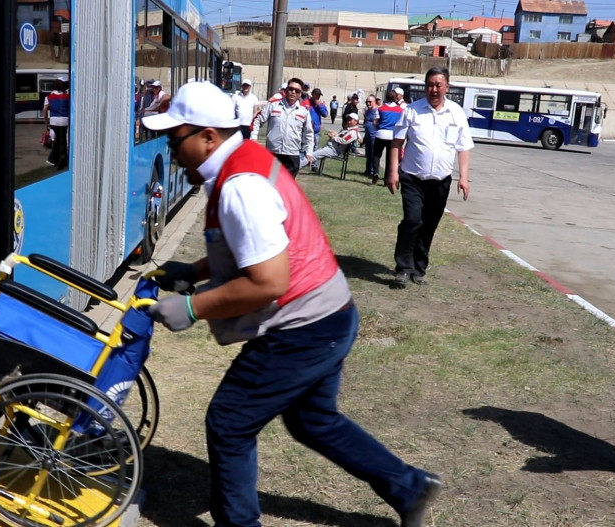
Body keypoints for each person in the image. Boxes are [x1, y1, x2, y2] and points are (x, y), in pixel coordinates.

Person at [141, 81, 443, 527]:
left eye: (175, 137)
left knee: (230, 422)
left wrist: (191, 308)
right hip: (329, 312)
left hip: (303, 325)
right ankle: (410, 487)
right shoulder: (243, 162)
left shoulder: (240, 185)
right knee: (313, 421)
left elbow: (267, 281)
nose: (170, 147)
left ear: (207, 137)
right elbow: (250, 246)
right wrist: (196, 271)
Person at [387, 66, 474, 287]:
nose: (434, 89)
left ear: (447, 87)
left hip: (441, 181)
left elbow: (463, 147)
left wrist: (463, 178)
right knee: (412, 220)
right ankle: (404, 268)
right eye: (429, 85)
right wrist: (392, 171)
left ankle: (419, 268)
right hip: (413, 178)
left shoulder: (456, 113)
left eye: (438, 85)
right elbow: (397, 142)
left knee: (429, 225)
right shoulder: (412, 110)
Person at [251, 77, 313, 177]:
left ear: (300, 94)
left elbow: (309, 133)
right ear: (286, 90)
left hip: (292, 155)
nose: (293, 92)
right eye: (291, 89)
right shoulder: (273, 105)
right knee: (270, 187)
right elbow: (258, 120)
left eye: (296, 90)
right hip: (273, 153)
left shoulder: (304, 111)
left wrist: (309, 152)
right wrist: (253, 137)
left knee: (286, 189)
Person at [372, 90, 403, 186]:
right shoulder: (400, 110)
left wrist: (378, 128)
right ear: (395, 98)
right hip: (392, 135)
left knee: (376, 154)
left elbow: (375, 121)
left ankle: (376, 172)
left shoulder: (381, 108)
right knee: (390, 158)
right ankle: (386, 179)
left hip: (381, 133)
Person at [43, 77, 70, 169]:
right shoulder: (68, 96)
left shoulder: (49, 97)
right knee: (62, 141)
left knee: (56, 140)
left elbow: (45, 110)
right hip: (65, 120)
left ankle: (55, 159)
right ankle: (59, 160)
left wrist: (46, 123)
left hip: (54, 120)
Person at [363, 95, 380, 181]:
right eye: (367, 102)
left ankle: (374, 171)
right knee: (368, 153)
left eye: (370, 102)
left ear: (374, 102)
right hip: (368, 135)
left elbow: (377, 123)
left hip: (374, 136)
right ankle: (368, 170)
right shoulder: (367, 110)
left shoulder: (377, 110)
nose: (368, 103)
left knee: (374, 154)